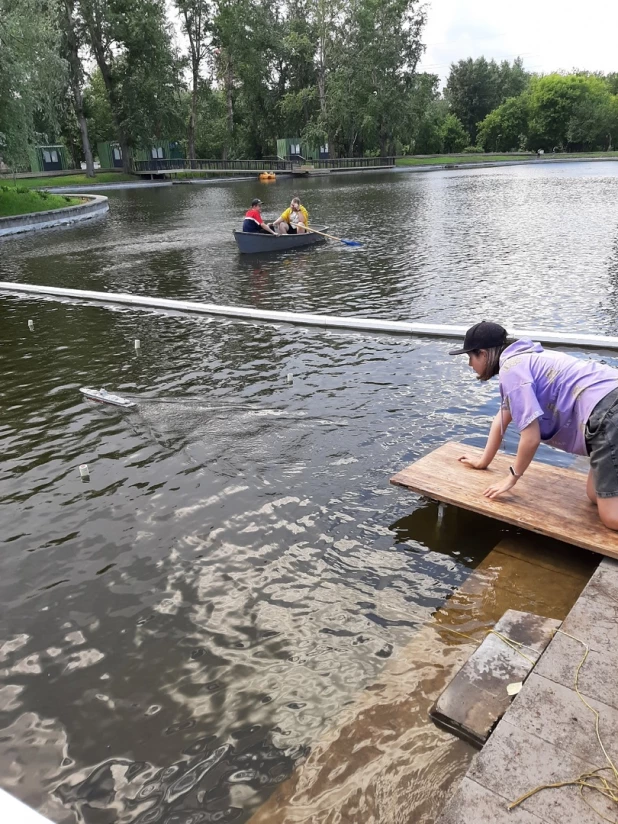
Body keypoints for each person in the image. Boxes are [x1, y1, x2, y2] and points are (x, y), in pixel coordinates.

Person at [450, 321, 618, 529]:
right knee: (594, 495)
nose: (469, 364)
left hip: (608, 412)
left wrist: (511, 479)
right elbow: (502, 417)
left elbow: (531, 438)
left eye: (470, 357)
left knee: (611, 517)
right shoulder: (522, 359)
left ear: (483, 354)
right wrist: (482, 461)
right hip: (609, 403)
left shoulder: (511, 370)